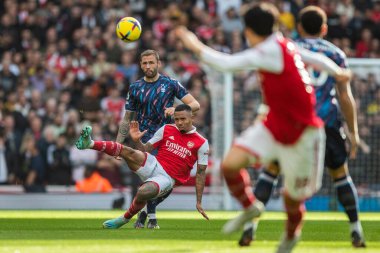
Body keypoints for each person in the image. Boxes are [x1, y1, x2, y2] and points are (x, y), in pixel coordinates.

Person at [175, 3, 351, 253]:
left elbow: (225, 63)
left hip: (303, 133)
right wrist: (338, 72)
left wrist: (192, 43)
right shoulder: (282, 44)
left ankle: (290, 237)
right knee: (230, 165)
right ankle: (251, 207)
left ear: (248, 30)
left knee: (292, 199)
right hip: (274, 124)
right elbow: (314, 57)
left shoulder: (267, 51)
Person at [238, 6, 366, 248]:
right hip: (325, 123)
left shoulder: (288, 47)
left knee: (270, 172)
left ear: (298, 27)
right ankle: (356, 230)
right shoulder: (336, 54)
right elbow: (346, 97)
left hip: (290, 121)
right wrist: (354, 133)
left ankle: (250, 227)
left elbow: (271, 87)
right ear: (324, 28)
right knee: (340, 175)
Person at [75, 104, 209, 228]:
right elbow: (145, 149)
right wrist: (137, 140)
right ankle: (90, 143)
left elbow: (201, 173)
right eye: (177, 119)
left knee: (143, 192)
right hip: (154, 163)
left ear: (192, 117)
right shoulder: (167, 129)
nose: (179, 122)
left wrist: (199, 202)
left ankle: (124, 218)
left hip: (167, 178)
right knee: (129, 151)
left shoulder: (202, 143)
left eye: (183, 119)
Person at [116, 49, 200, 229]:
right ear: (140, 65)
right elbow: (127, 118)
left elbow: (195, 105)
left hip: (167, 139)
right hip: (144, 140)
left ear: (158, 63)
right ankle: (147, 215)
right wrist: (119, 143)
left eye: (151, 62)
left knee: (164, 181)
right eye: (145, 63)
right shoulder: (135, 88)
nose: (148, 66)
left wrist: (178, 109)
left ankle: (147, 215)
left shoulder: (170, 84)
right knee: (146, 181)